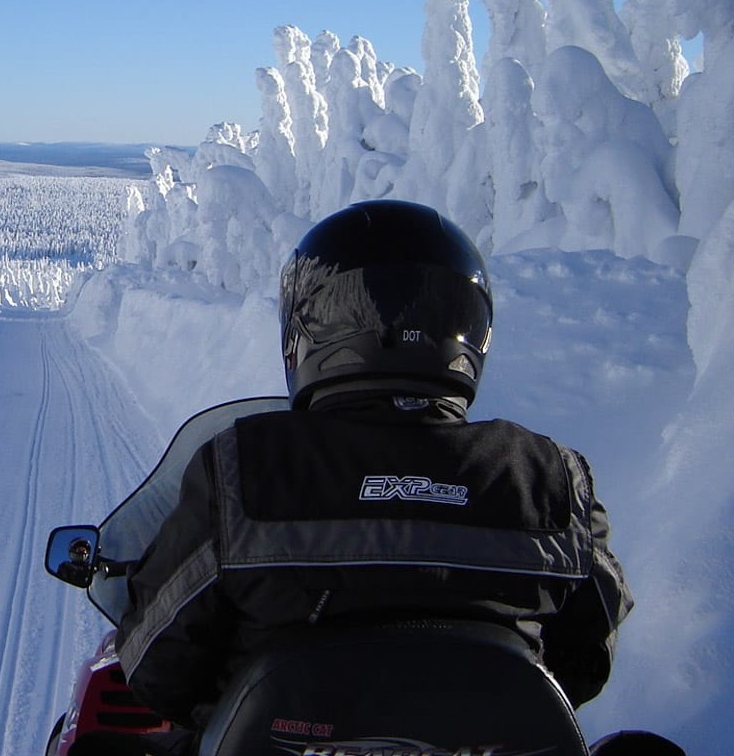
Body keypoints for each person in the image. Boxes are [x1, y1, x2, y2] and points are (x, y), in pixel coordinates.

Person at [113, 199, 635, 753]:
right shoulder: (550, 478)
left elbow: (155, 666)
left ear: (309, 331)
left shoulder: (246, 468)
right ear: (469, 328)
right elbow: (586, 660)